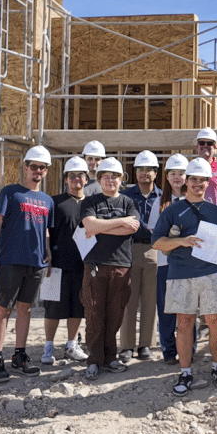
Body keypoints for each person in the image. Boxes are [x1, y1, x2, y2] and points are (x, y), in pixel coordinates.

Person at [152, 157, 217, 396]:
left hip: (211, 274)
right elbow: (157, 242)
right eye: (194, 179)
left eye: (203, 180)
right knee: (184, 324)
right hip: (180, 275)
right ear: (186, 181)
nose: (198, 183)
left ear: (209, 183)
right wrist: (181, 241)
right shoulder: (173, 211)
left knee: (216, 323)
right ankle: (185, 371)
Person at [0, 145, 54, 382]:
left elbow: (45, 232)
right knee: (4, 309)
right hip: (11, 260)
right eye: (34, 167)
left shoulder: (47, 201)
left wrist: (48, 256)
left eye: (42, 168)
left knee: (26, 308)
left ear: (46, 171)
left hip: (36, 262)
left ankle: (20, 356)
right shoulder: (10, 193)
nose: (38, 171)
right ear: (25, 168)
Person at [79, 157, 140, 380]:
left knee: (115, 314)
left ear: (121, 179)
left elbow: (132, 229)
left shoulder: (128, 202)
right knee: (95, 313)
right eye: (106, 176)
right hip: (95, 265)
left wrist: (101, 227)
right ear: (99, 179)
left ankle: (110, 357)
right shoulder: (90, 201)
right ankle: (94, 360)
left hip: (122, 265)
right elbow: (90, 225)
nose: (110, 180)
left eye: (115, 176)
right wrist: (120, 222)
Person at [42, 156, 89, 366]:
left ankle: (71, 345)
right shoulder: (54, 202)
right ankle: (48, 346)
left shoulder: (91, 204)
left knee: (77, 307)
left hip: (82, 265)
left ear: (86, 179)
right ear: (66, 179)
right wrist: (47, 254)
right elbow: (45, 230)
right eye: (72, 175)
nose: (76, 179)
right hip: (56, 265)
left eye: (80, 175)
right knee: (53, 307)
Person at [119, 149, 162, 362]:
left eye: (149, 170)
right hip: (130, 250)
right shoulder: (125, 197)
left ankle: (146, 344)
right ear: (135, 172)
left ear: (156, 173)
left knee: (150, 300)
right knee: (129, 300)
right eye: (140, 169)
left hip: (155, 250)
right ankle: (126, 346)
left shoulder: (163, 197)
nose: (144, 173)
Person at [147, 153, 189, 366]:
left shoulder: (194, 201)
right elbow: (155, 235)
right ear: (166, 176)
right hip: (165, 263)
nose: (176, 177)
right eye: (172, 173)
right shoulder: (159, 203)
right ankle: (169, 351)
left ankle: (188, 349)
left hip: (189, 264)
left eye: (181, 173)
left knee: (187, 309)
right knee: (166, 309)